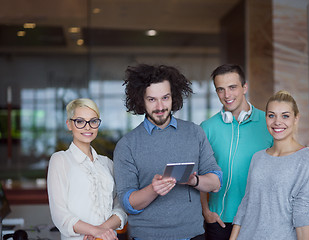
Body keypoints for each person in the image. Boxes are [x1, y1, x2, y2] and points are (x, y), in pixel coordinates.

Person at [113, 64, 222, 240]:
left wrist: (194, 180)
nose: (160, 106)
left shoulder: (195, 133)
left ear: (174, 97)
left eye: (165, 97)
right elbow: (127, 203)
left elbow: (216, 182)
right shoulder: (127, 145)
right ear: (141, 100)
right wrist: (153, 189)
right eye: (152, 99)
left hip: (193, 235)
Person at [230, 90, 309, 240]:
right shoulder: (257, 158)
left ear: (296, 118)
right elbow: (246, 203)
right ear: (266, 118)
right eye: (271, 115)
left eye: (285, 116)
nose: (277, 122)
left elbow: (302, 211)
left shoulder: (305, 158)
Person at [200, 64, 273, 240]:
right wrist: (206, 212)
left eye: (232, 87)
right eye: (221, 89)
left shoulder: (269, 124)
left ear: (244, 87)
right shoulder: (206, 128)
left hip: (258, 220)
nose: (227, 95)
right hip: (219, 222)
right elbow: (200, 174)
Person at [47, 98, 127, 240]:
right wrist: (94, 232)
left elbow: (121, 206)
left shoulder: (107, 163)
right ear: (69, 124)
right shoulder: (60, 160)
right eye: (80, 121)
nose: (87, 127)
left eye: (93, 121)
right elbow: (60, 215)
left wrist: (100, 231)